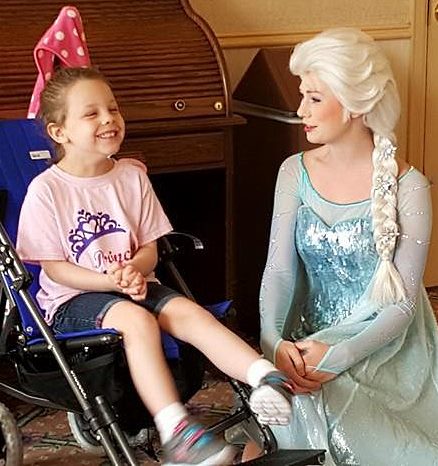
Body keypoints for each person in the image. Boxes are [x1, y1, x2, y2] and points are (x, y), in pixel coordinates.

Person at [16, 66, 294, 466]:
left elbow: (150, 247)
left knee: (187, 311)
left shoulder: (131, 177)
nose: (109, 118)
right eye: (91, 113)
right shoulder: (47, 191)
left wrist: (134, 268)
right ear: (60, 132)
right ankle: (176, 430)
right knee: (137, 321)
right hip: (75, 297)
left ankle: (265, 377)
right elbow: (55, 269)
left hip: (135, 281)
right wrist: (106, 278)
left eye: (112, 108)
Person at [256, 27, 438, 465]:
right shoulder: (292, 173)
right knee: (297, 398)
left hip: (387, 350)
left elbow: (402, 308)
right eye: (303, 95)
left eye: (314, 98)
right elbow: (279, 271)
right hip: (306, 343)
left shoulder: (409, 188)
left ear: (357, 104)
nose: (300, 110)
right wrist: (273, 343)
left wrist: (337, 357)